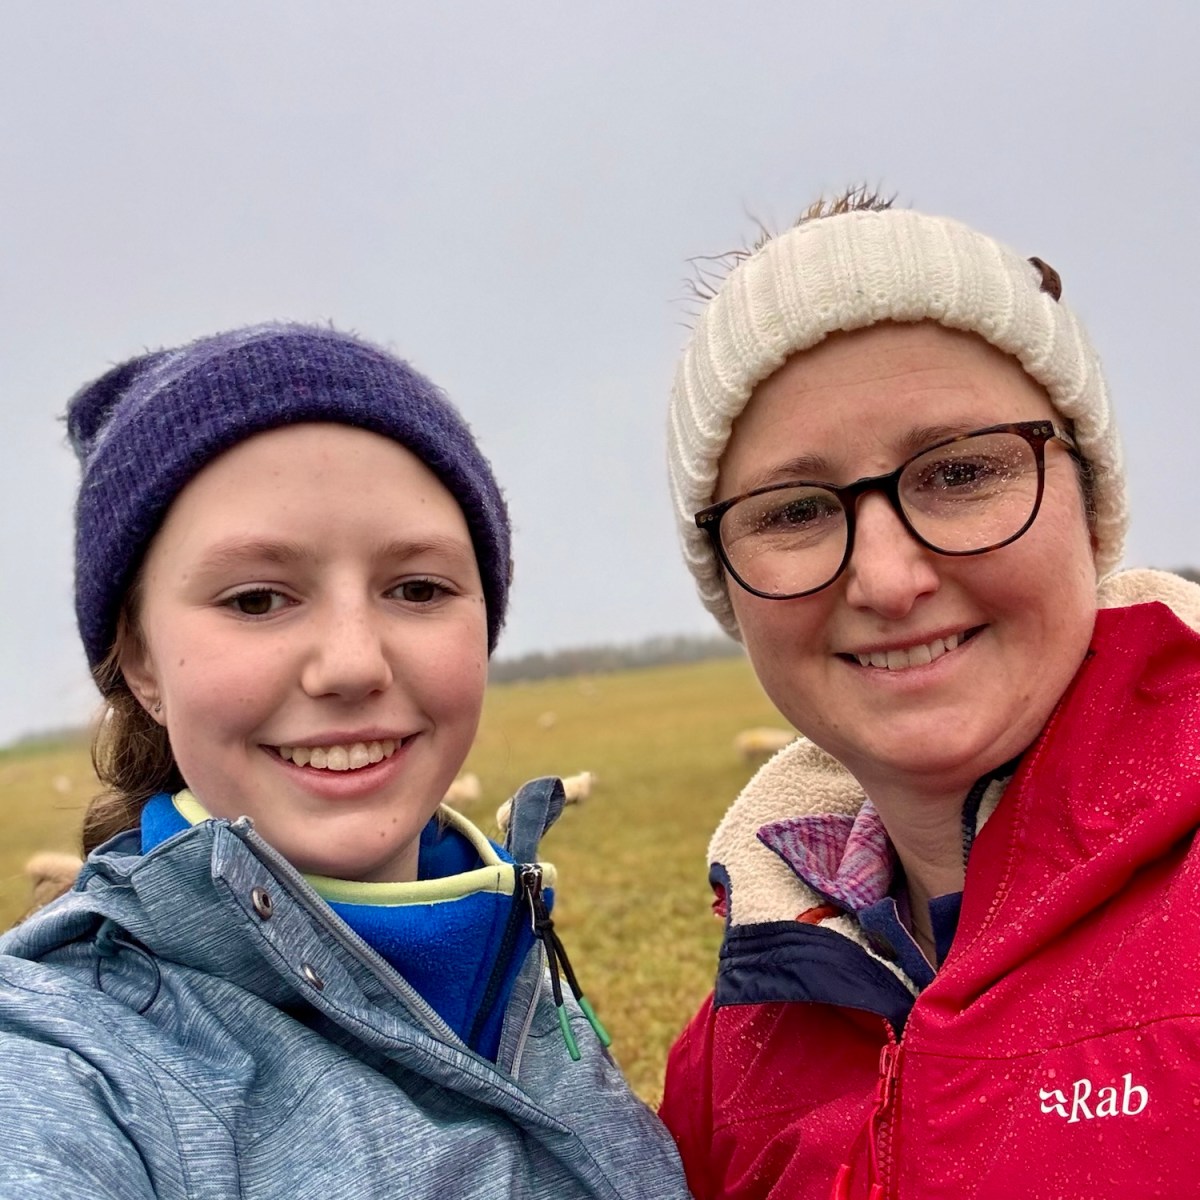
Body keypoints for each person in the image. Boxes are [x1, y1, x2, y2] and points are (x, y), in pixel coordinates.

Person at [0, 323, 691, 1199]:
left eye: (418, 589)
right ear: (140, 664)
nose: (355, 663)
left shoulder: (514, 969)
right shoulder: (68, 1063)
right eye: (256, 598)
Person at [658, 189, 1200, 1199]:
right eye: (797, 511)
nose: (888, 579)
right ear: (729, 586)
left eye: (958, 472)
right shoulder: (737, 1047)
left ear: (1091, 509)